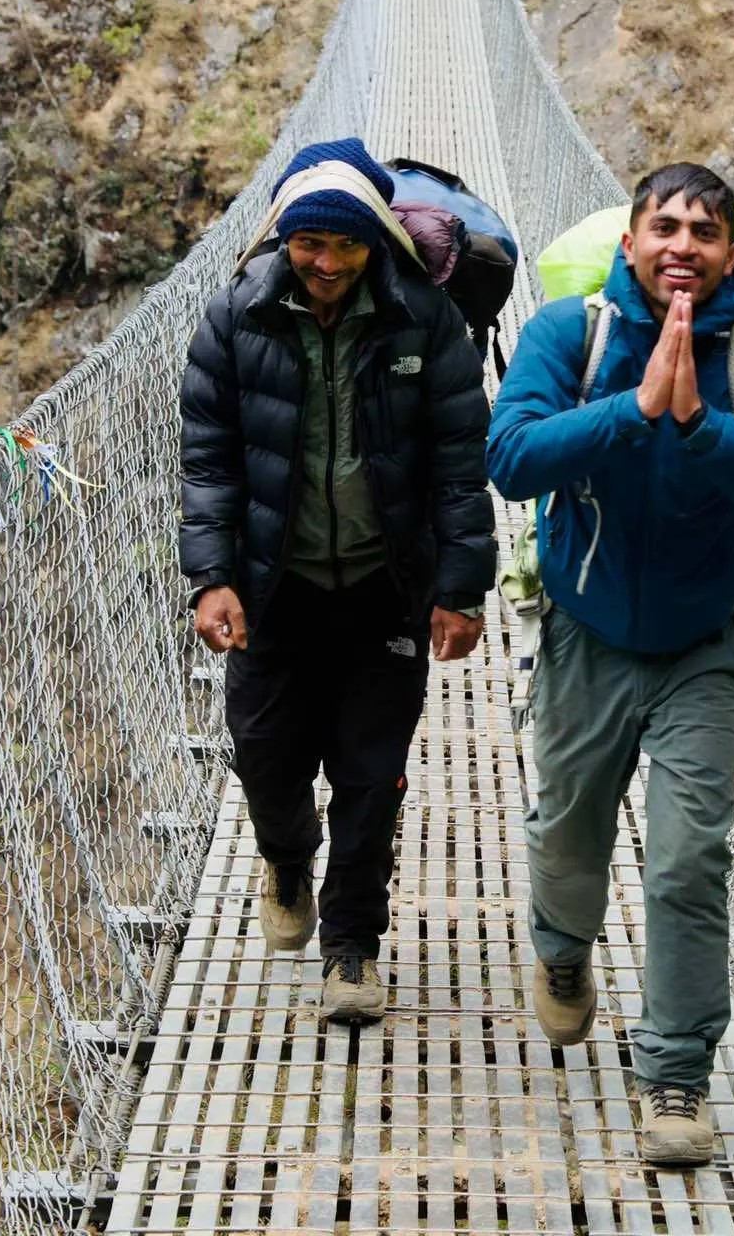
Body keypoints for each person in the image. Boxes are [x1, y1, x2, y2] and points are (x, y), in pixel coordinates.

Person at [487, 163, 734, 1167]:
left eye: (705, 231)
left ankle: (674, 1075)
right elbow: (510, 457)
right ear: (629, 241)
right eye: (665, 226)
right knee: (568, 830)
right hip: (585, 631)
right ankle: (562, 948)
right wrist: (632, 409)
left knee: (687, 858)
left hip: (701, 646)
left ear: (730, 252)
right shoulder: (571, 333)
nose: (683, 244)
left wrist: (698, 424)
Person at [181, 138, 496, 1023]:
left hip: (382, 585)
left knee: (371, 773)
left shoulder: (422, 319)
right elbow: (208, 461)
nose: (326, 262)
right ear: (282, 237)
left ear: (376, 242)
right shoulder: (234, 318)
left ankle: (352, 946)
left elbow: (460, 463)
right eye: (308, 242)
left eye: (347, 244)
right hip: (271, 587)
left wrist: (461, 588)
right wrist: (210, 577)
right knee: (264, 757)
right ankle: (287, 857)